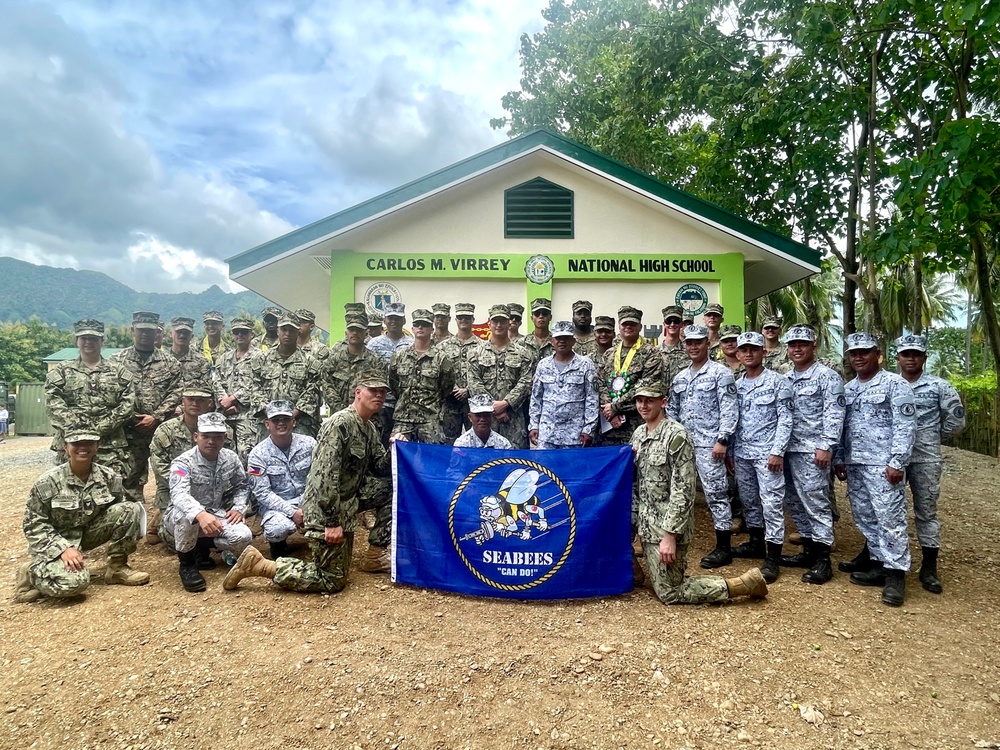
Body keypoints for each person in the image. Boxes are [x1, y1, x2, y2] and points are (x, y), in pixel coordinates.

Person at [223, 370, 397, 593]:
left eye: (383, 392)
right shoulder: (339, 424)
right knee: (331, 580)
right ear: (358, 393)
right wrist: (332, 522)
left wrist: (394, 448)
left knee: (392, 488)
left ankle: (376, 554)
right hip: (325, 510)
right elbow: (325, 476)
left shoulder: (368, 427)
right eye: (373, 390)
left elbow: (379, 468)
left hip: (348, 500)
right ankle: (260, 565)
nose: (379, 396)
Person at [631, 383, 768, 605]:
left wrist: (670, 536)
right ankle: (633, 573)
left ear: (663, 402)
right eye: (639, 401)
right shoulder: (638, 434)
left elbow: (683, 490)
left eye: (649, 400)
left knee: (670, 592)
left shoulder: (676, 436)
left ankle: (741, 584)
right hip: (646, 525)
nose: (643, 406)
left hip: (665, 527)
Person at [15, 428, 149, 603]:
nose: (83, 448)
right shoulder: (48, 482)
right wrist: (63, 549)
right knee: (75, 585)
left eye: (89, 443)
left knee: (130, 509)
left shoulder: (108, 477)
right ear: (65, 447)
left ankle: (117, 568)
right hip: (56, 541)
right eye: (76, 444)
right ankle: (31, 572)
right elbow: (33, 525)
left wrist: (131, 532)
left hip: (86, 535)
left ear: (97, 446)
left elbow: (118, 512)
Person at [834, 332, 916, 607]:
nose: (858, 357)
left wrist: (897, 462)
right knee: (864, 516)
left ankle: (896, 575)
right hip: (857, 464)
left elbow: (905, 427)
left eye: (864, 352)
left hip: (883, 465)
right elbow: (843, 428)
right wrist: (840, 459)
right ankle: (879, 563)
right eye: (853, 353)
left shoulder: (895, 384)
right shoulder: (849, 389)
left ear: (877, 353)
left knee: (890, 520)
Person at [895, 333, 965, 593]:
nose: (910, 358)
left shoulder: (939, 386)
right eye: (906, 354)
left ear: (924, 357)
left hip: (926, 458)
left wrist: (931, 435)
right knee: (889, 509)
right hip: (894, 459)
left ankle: (929, 567)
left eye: (916, 353)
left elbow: (956, 422)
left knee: (926, 512)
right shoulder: (890, 384)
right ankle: (882, 557)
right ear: (898, 357)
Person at [667, 324, 738, 568]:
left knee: (717, 494)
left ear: (708, 344)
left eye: (698, 342)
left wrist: (723, 440)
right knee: (680, 494)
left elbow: (729, 409)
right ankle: (675, 539)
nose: (693, 346)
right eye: (689, 343)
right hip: (684, 447)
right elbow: (672, 412)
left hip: (711, 446)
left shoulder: (721, 373)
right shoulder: (680, 377)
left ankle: (724, 547)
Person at [781, 325, 846, 583]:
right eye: (793, 345)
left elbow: (835, 413)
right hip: (787, 450)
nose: (797, 349)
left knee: (817, 503)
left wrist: (827, 445)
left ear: (813, 346)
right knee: (794, 501)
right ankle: (808, 550)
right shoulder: (785, 379)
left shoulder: (827, 377)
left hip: (813, 451)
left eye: (803, 344)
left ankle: (823, 559)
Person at [164, 412, 252, 592]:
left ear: (225, 438)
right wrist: (200, 514)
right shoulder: (182, 463)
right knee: (185, 516)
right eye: (206, 436)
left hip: (214, 513)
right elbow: (179, 494)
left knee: (244, 537)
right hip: (180, 519)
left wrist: (239, 508)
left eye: (217, 437)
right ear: (196, 437)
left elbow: (242, 485)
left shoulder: (230, 458)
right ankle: (187, 565)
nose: (211, 441)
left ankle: (200, 546)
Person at [730, 332, 793, 582]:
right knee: (749, 501)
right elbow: (733, 420)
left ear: (763, 352)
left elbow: (786, 419)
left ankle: (773, 556)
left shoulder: (778, 382)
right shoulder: (736, 385)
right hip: (743, 453)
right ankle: (756, 542)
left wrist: (778, 451)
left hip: (768, 454)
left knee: (772, 503)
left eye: (754, 349)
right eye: (744, 350)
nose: (748, 353)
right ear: (738, 354)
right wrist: (732, 451)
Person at [45, 318, 135, 475]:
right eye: (84, 338)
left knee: (110, 490)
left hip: (108, 445)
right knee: (69, 488)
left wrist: (101, 428)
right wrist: (78, 428)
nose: (88, 342)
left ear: (102, 341)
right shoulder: (62, 371)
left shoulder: (119, 372)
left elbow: (127, 404)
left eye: (93, 338)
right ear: (76, 341)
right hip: (72, 443)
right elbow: (53, 402)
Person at [112, 311, 183, 505]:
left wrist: (156, 417)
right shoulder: (116, 362)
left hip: (161, 431)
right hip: (130, 431)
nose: (145, 334)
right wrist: (131, 416)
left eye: (150, 331)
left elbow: (177, 391)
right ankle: (134, 524)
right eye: (141, 330)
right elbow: (112, 393)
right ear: (132, 330)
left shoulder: (170, 363)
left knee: (170, 476)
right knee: (130, 479)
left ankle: (166, 522)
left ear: (157, 332)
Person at [148, 385, 231, 547]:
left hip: (213, 492)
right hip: (175, 491)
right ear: (182, 402)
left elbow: (229, 465)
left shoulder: (222, 430)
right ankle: (160, 522)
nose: (195, 403)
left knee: (225, 534)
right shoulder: (165, 431)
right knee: (179, 541)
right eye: (191, 399)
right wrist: (188, 487)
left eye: (200, 400)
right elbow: (160, 467)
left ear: (209, 403)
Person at [247, 400, 316, 559]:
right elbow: (262, 493)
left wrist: (309, 505)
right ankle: (278, 548)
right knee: (278, 529)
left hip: (308, 499)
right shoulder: (257, 455)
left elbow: (318, 477)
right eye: (275, 420)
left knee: (330, 516)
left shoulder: (310, 444)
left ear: (293, 422)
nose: (281, 423)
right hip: (277, 506)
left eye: (285, 419)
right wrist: (292, 512)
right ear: (267, 424)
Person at [467, 305, 535, 449]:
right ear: (489, 323)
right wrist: (493, 409)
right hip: (484, 419)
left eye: (502, 321)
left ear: (509, 323)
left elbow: (525, 382)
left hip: (513, 418)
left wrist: (505, 404)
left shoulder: (524, 354)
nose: (499, 325)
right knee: (484, 462)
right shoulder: (475, 353)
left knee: (515, 461)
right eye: (495, 321)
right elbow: (474, 383)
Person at [598, 306, 664, 446]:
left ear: (640, 326)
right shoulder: (609, 354)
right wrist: (609, 411)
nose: (628, 327)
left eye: (632, 324)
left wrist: (616, 407)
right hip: (609, 428)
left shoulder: (651, 353)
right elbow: (600, 383)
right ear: (619, 326)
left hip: (637, 427)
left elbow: (646, 386)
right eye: (625, 324)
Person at [250, 311, 323, 438]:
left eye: (292, 330)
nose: (287, 334)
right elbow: (254, 389)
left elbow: (312, 393)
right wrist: (273, 415)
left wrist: (290, 417)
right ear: (278, 331)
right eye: (284, 329)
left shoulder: (311, 363)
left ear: (298, 332)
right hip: (268, 423)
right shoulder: (261, 359)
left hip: (299, 424)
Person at [529, 320, 599, 449]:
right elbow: (536, 398)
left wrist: (588, 429)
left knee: (573, 469)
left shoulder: (585, 365)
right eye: (558, 338)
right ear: (552, 341)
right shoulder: (543, 365)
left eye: (566, 338)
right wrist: (534, 425)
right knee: (545, 469)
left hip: (574, 437)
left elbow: (592, 399)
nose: (562, 341)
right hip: (547, 435)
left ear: (573, 341)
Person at [388, 308, 454, 444]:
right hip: (403, 418)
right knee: (397, 458)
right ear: (412, 328)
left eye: (424, 325)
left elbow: (446, 386)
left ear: (432, 329)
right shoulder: (399, 356)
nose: (420, 327)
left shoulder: (441, 358)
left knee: (433, 460)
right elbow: (394, 384)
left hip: (429, 419)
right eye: (417, 324)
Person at [216, 316, 262, 465]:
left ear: (251, 334)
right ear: (232, 334)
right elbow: (216, 381)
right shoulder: (224, 358)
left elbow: (258, 383)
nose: (240, 335)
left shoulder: (261, 357)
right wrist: (224, 401)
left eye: (244, 332)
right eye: (237, 332)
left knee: (247, 454)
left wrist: (234, 398)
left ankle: (248, 486)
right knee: (223, 455)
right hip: (225, 415)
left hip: (248, 416)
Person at [322, 311, 386, 414]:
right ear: (346, 334)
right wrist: (343, 411)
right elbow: (327, 386)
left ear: (366, 334)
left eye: (359, 330)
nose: (355, 333)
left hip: (369, 418)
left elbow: (379, 391)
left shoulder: (376, 362)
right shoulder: (333, 361)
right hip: (339, 417)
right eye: (352, 330)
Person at [367, 302, 414, 443]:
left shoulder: (412, 344)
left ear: (404, 321)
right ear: (384, 321)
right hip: (380, 403)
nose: (394, 322)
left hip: (405, 404)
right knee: (378, 442)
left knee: (401, 443)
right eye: (391, 318)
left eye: (398, 318)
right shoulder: (374, 344)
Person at [437, 302, 483, 441]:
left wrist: (468, 390)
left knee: (476, 442)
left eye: (467, 318)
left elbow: (486, 375)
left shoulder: (483, 346)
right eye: (460, 317)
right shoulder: (442, 347)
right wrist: (453, 389)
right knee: (447, 444)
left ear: (473, 320)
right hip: (450, 404)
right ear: (455, 319)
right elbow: (437, 373)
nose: (463, 320)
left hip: (474, 404)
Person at [167, 316, 216, 400]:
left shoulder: (201, 362)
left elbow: (206, 390)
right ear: (171, 334)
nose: (182, 335)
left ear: (192, 336)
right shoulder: (160, 360)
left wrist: (183, 407)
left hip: (192, 408)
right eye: (179, 332)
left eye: (186, 333)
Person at [659, 305, 688, 388]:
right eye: (668, 321)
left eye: (676, 321)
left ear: (681, 324)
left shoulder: (689, 351)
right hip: (660, 399)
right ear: (664, 324)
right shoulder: (655, 352)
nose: (672, 324)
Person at [518, 298, 554, 363]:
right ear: (532, 318)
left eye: (545, 313)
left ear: (550, 317)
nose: (541, 316)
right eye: (537, 314)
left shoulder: (557, 342)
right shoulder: (522, 343)